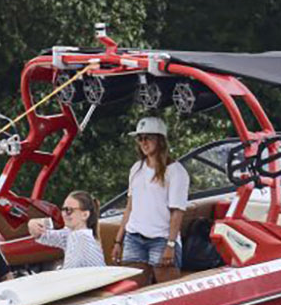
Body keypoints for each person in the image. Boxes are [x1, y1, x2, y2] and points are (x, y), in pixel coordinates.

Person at [112, 116, 190, 284]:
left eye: (148, 138)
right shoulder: (136, 169)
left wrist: (170, 245)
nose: (143, 142)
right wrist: (118, 241)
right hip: (134, 237)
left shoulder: (176, 172)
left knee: (166, 289)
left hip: (162, 239)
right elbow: (129, 207)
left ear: (160, 140)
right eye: (140, 139)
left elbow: (177, 212)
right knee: (133, 288)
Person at [27, 191, 106, 269]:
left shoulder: (80, 236)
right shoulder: (71, 233)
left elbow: (69, 273)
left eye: (69, 210)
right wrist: (32, 223)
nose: (64, 214)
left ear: (85, 215)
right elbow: (42, 235)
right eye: (63, 209)